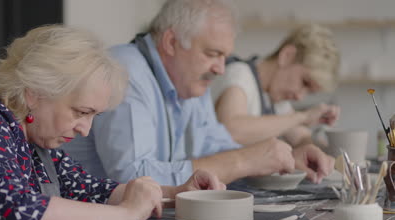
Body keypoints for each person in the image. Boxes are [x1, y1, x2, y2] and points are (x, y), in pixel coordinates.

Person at [0, 25, 225, 220]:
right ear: (34, 93)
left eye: (94, 116)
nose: (85, 129)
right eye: (81, 113)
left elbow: (90, 189)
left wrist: (176, 193)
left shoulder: (30, 137)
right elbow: (20, 214)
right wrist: (129, 213)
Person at [64, 0, 334, 188]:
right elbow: (133, 177)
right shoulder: (126, 72)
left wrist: (283, 157)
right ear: (171, 43)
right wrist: (244, 160)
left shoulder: (191, 82)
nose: (220, 68)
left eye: (224, 57)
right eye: (212, 53)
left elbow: (214, 146)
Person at [211, 24, 340, 147]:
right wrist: (303, 117)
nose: (299, 97)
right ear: (287, 56)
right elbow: (232, 130)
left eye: (309, 92)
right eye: (304, 82)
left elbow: (301, 138)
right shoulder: (239, 74)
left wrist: (330, 149)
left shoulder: (274, 97)